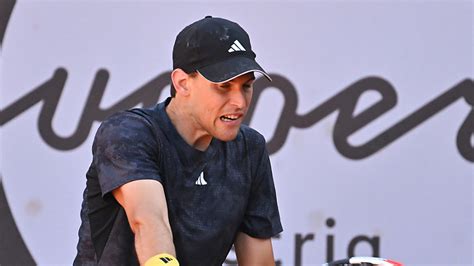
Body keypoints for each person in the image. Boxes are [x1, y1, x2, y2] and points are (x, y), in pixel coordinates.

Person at [74, 16, 282, 266]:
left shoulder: (250, 148)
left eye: (246, 86)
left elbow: (258, 261)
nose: (240, 102)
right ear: (182, 83)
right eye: (224, 87)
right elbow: (149, 220)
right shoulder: (128, 132)